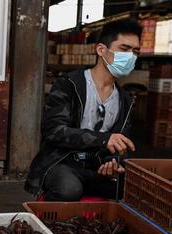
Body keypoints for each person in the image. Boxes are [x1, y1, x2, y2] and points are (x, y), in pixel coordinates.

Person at [25, 18, 142, 201]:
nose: (131, 56)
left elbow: (120, 146)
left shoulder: (125, 100)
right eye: (125, 49)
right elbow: (53, 131)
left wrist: (112, 164)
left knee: (134, 191)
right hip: (61, 162)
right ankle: (47, 222)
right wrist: (103, 139)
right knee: (69, 189)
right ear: (101, 50)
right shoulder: (70, 84)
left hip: (96, 167)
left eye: (135, 51)